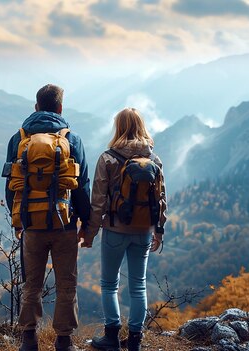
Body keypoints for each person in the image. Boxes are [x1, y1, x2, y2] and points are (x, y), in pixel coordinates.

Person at [5, 84, 91, 351]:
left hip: (32, 224)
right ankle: (64, 342)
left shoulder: (18, 139)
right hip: (64, 224)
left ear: (36, 107)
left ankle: (28, 340)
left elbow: (11, 186)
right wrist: (86, 224)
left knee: (32, 283)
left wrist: (18, 219)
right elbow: (82, 186)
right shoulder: (72, 140)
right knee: (67, 284)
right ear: (61, 108)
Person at [80, 107, 167, 351]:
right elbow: (161, 199)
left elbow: (97, 201)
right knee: (138, 285)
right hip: (144, 230)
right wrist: (158, 231)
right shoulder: (154, 160)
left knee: (109, 284)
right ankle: (135, 341)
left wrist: (90, 233)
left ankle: (111, 337)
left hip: (115, 230)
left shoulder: (108, 158)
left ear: (118, 127)